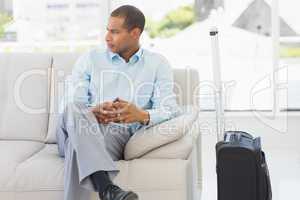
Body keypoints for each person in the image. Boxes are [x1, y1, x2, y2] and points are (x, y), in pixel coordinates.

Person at [56, 5, 180, 200]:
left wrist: (141, 115)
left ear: (135, 33)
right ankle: (107, 189)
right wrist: (91, 112)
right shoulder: (90, 59)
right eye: (107, 30)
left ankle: (106, 191)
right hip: (72, 125)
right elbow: (69, 103)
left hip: (113, 134)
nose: (107, 37)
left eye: (114, 32)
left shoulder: (157, 64)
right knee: (75, 112)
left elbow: (170, 108)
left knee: (78, 145)